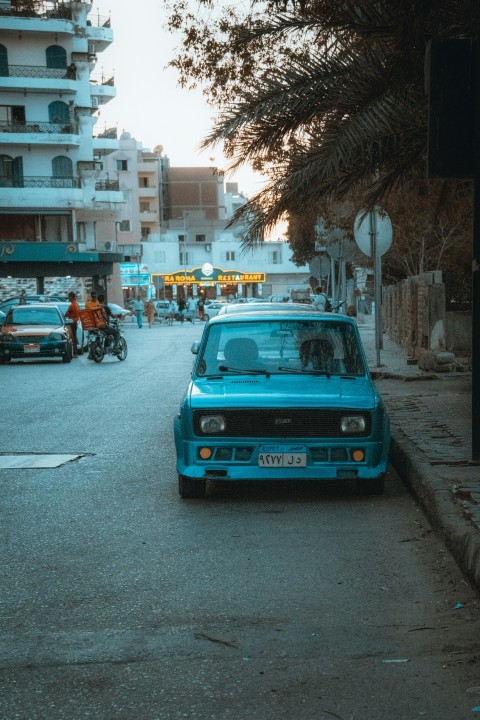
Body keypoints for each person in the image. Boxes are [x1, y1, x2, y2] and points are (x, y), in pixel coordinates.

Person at [65, 291, 81, 357]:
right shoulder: (76, 304)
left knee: (72, 338)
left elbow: (66, 314)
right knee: (74, 337)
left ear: (71, 297)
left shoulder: (72, 305)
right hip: (75, 322)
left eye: (69, 296)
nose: (68, 298)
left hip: (72, 323)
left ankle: (75, 352)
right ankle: (76, 351)